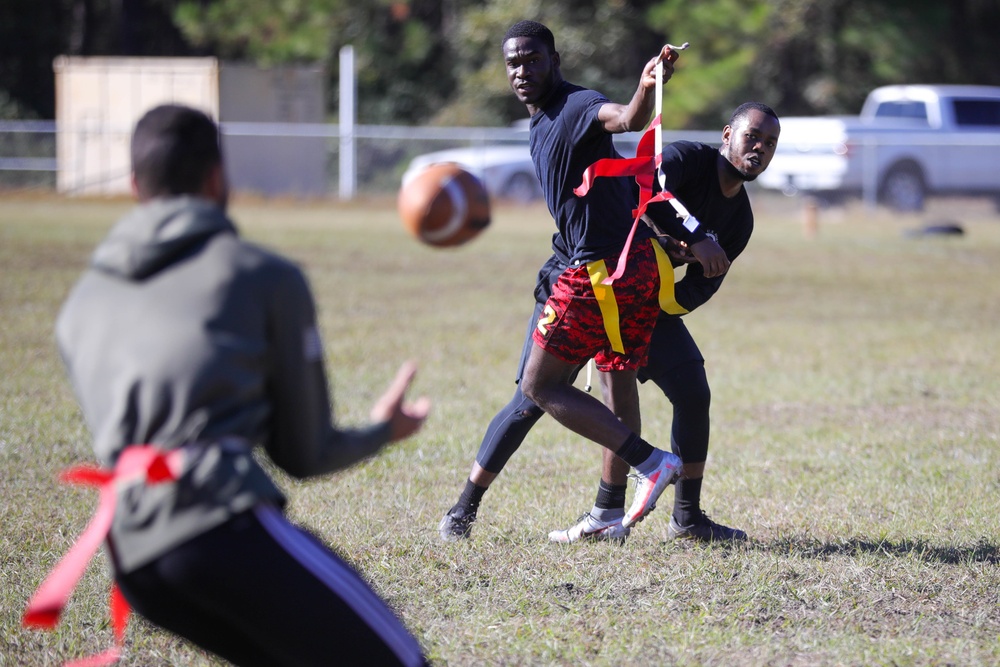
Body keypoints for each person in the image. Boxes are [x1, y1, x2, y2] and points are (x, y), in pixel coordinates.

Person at [51, 104, 431, 666]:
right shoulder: (263, 276)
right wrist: (384, 430)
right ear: (216, 177)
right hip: (215, 527)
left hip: (130, 555)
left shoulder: (78, 305)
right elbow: (304, 453)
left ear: (135, 185)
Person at [440, 100, 780, 544]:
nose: (759, 148)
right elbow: (646, 188)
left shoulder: (741, 219)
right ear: (726, 134)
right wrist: (690, 236)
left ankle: (684, 518)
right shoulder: (685, 160)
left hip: (640, 301)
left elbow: (701, 285)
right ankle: (463, 509)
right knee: (532, 395)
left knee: (692, 390)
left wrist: (650, 311)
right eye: (751, 135)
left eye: (769, 143)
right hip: (583, 280)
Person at [441, 19, 704, 542]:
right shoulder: (540, 120)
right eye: (513, 63)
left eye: (533, 60)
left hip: (598, 274)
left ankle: (649, 462)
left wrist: (648, 87)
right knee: (617, 381)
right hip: (632, 268)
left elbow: (626, 118)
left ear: (554, 61)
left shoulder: (576, 106)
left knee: (539, 386)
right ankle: (609, 515)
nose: (522, 71)